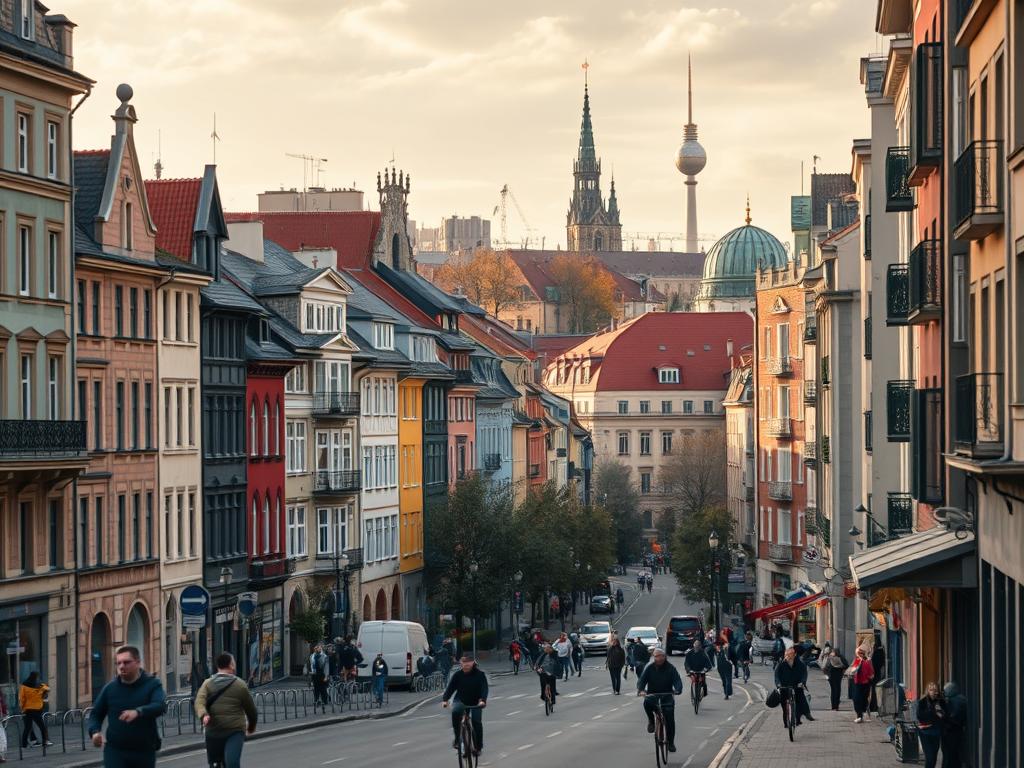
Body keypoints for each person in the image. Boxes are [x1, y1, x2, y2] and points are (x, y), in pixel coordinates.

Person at [87, 645, 167, 768]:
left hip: (143, 750)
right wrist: (95, 732)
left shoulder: (152, 684)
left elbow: (160, 706)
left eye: (126, 662)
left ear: (138, 662)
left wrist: (138, 712)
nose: (121, 666)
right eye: (118, 663)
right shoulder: (110, 688)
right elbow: (95, 714)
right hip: (115, 750)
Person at [194, 652, 257, 768]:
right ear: (231, 665)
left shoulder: (207, 684)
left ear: (218, 666)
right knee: (232, 763)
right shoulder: (240, 684)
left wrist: (204, 715)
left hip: (213, 730)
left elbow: (199, 701)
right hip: (234, 730)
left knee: (214, 763)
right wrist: (251, 726)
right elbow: (251, 709)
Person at [636, 648, 683, 753]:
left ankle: (670, 742)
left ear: (664, 656)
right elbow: (641, 681)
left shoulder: (671, 668)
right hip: (653, 695)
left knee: (670, 719)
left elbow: (677, 680)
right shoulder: (649, 668)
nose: (658, 658)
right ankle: (651, 721)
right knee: (646, 703)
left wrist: (678, 689)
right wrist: (641, 690)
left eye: (660, 656)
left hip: (667, 695)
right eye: (656, 656)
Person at [441, 656, 488, 755]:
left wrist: (483, 700)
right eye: (464, 662)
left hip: (476, 701)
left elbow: (484, 688)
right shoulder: (457, 675)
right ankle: (458, 739)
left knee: (476, 721)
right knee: (455, 712)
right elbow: (450, 688)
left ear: (473, 663)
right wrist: (445, 700)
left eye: (469, 662)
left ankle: (478, 747)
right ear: (461, 664)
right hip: (461, 700)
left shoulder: (480, 675)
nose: (466, 664)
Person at [774, 646, 813, 726]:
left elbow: (804, 674)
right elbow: (776, 675)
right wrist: (778, 684)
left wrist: (802, 682)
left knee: (800, 699)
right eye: (787, 654)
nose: (789, 656)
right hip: (784, 686)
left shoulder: (800, 663)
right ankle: (786, 722)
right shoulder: (781, 664)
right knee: (784, 705)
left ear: (795, 654)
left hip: (796, 685)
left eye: (791, 654)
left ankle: (805, 715)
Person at [18, 671, 51, 749]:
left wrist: (22, 708)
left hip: (27, 709)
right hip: (37, 709)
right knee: (42, 726)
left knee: (27, 727)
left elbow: (22, 698)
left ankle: (24, 744)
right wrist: (43, 688)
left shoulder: (24, 685)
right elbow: (48, 688)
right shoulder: (39, 686)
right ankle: (44, 742)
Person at [916, 681, 945, 768]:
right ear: (927, 691)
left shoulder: (941, 701)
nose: (933, 692)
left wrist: (940, 713)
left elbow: (944, 716)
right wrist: (933, 712)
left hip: (936, 732)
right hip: (925, 732)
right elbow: (920, 716)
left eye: (935, 690)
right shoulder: (922, 702)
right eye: (931, 690)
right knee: (929, 757)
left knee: (934, 757)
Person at [941, 681, 967, 768]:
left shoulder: (954, 701)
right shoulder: (962, 699)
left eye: (945, 691)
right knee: (955, 754)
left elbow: (953, 716)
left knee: (949, 754)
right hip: (957, 730)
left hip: (952, 731)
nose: (944, 693)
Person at [849, 646, 874, 723]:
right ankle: (859, 715)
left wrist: (869, 677)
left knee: (864, 699)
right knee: (856, 699)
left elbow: (871, 673)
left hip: (865, 683)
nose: (859, 655)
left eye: (860, 653)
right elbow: (852, 671)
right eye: (858, 653)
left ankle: (862, 714)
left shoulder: (867, 661)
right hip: (857, 683)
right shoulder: (857, 661)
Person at [868, 633, 886, 713]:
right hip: (876, 673)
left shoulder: (877, 652)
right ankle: (873, 706)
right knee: (875, 690)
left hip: (875, 673)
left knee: (875, 690)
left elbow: (874, 663)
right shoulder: (879, 651)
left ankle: (874, 706)